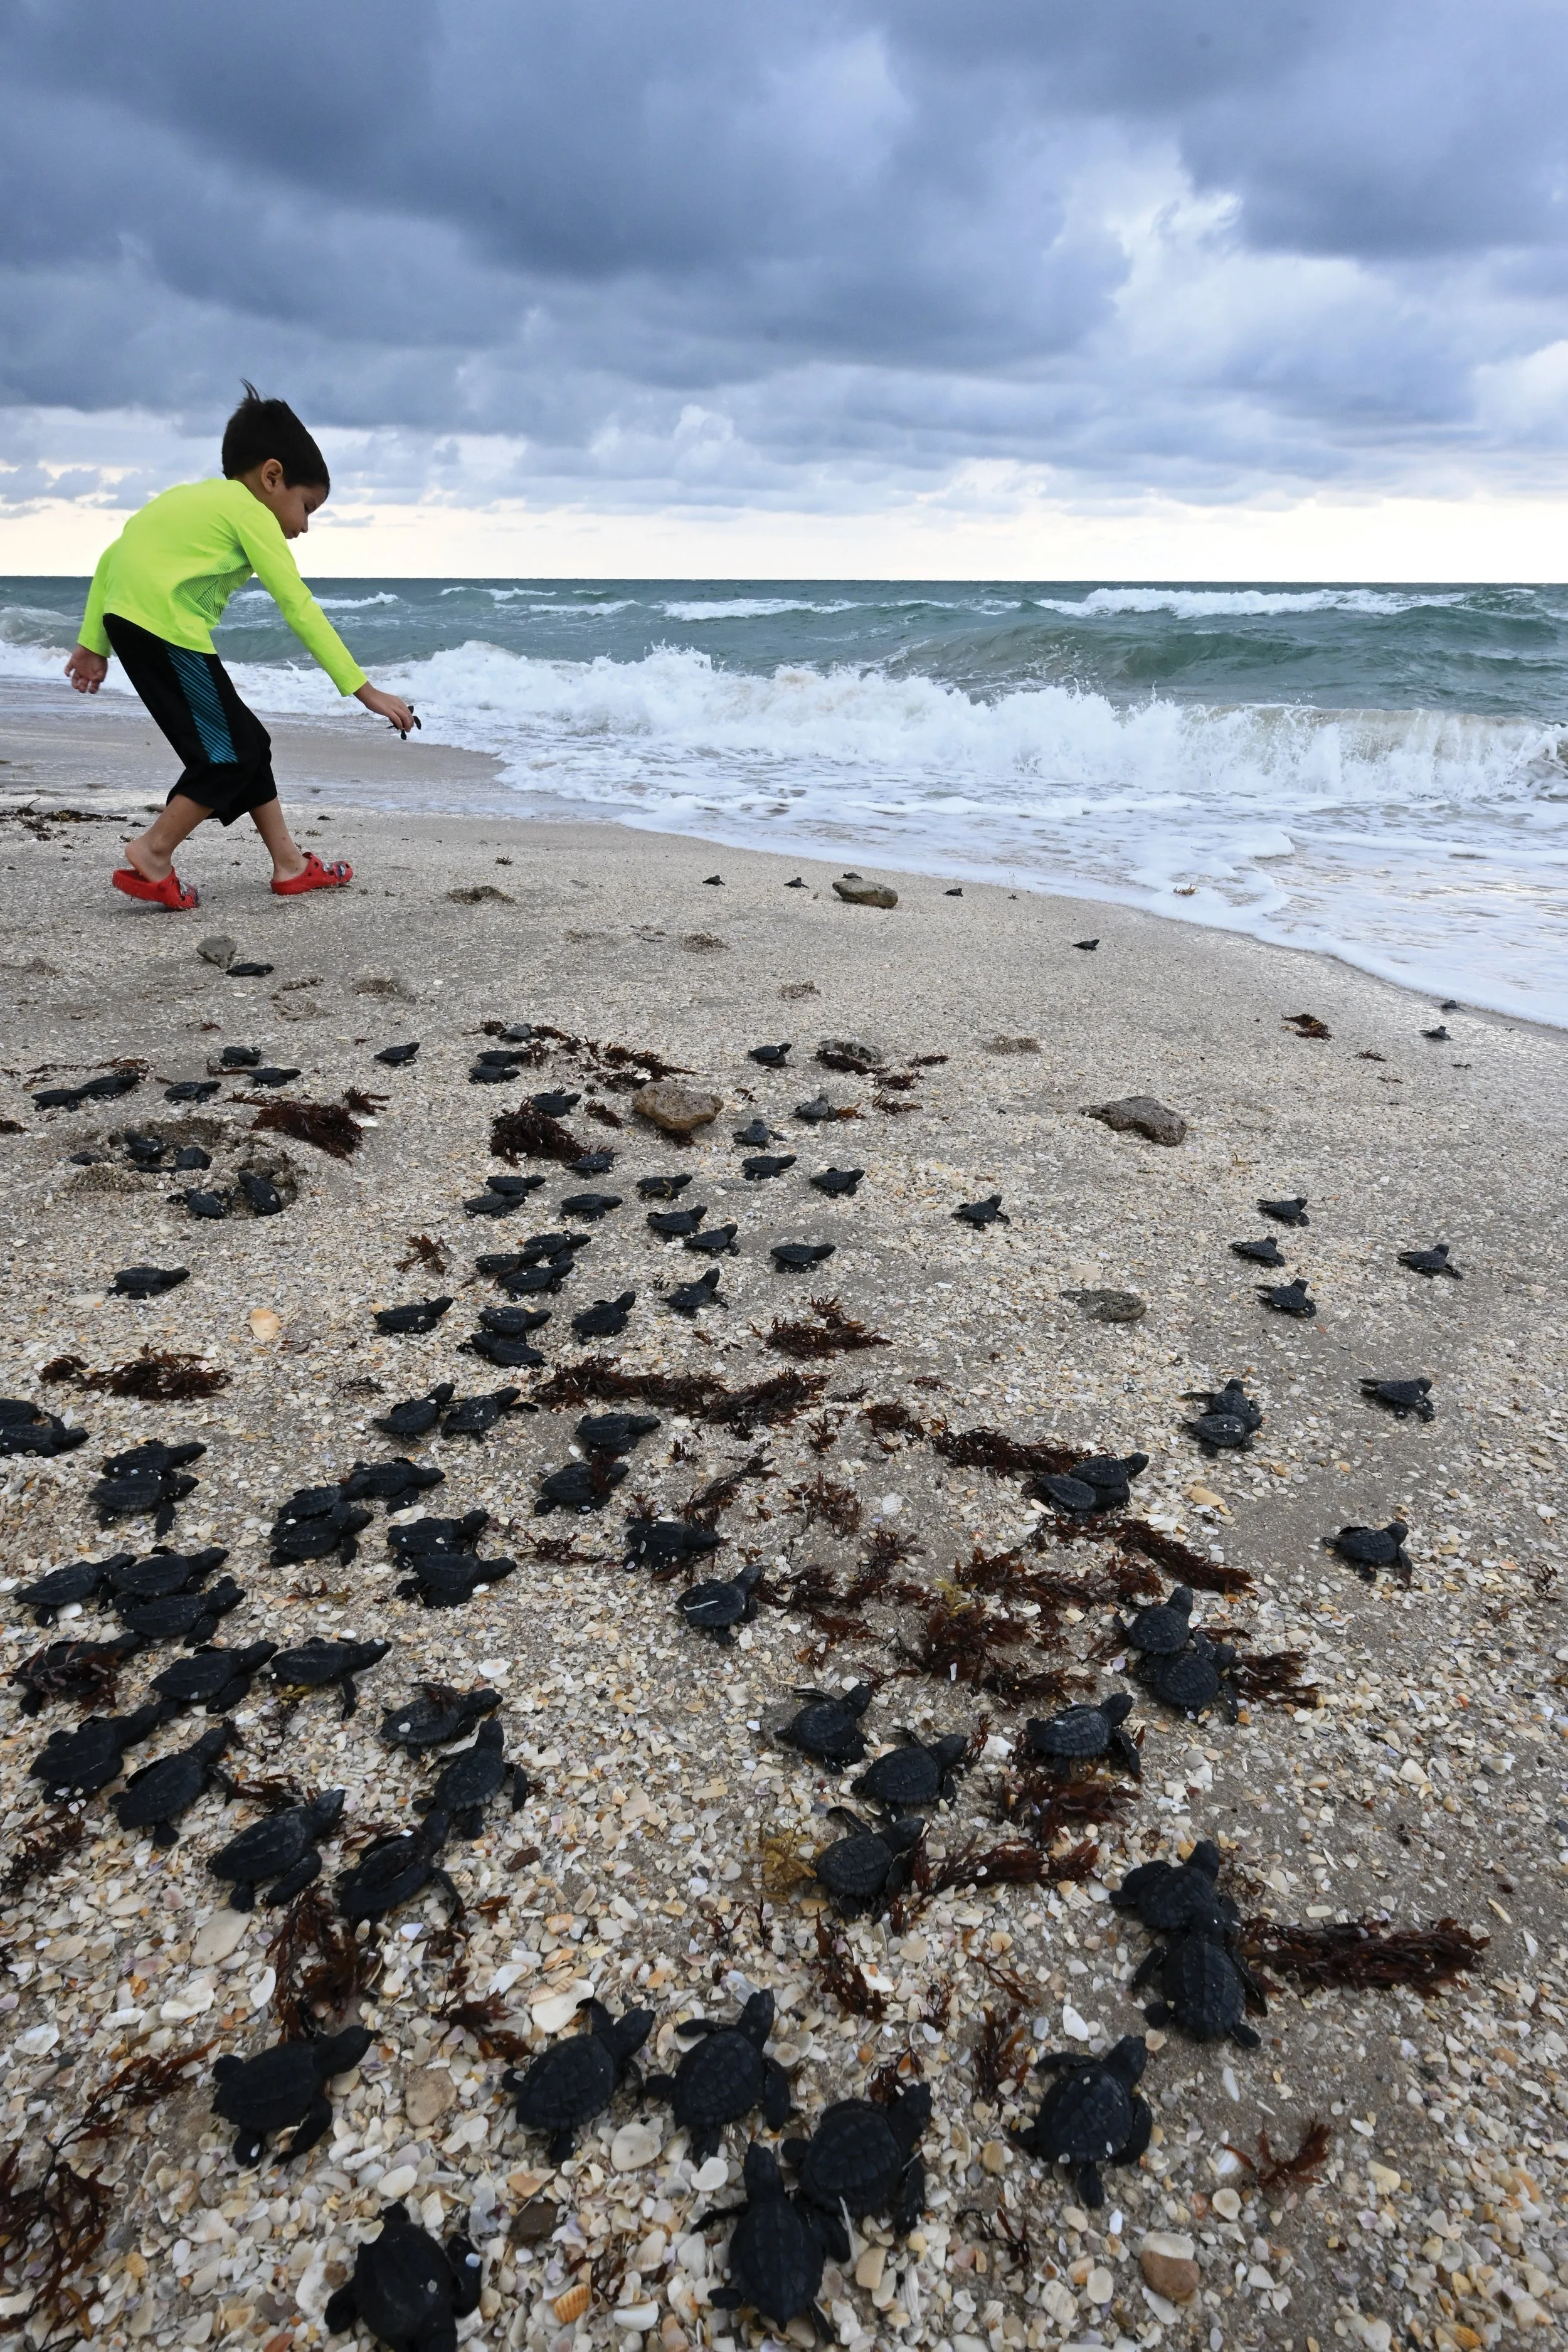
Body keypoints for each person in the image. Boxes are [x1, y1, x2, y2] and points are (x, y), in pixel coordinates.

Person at [64, 382, 416, 909]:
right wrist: (363, 689)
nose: (304, 525)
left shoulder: (184, 499)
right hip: (169, 629)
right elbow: (298, 605)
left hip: (134, 623)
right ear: (272, 477)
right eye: (307, 507)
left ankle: (289, 865)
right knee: (227, 757)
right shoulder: (251, 512)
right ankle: (154, 852)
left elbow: (114, 558)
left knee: (251, 743)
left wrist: (93, 641)